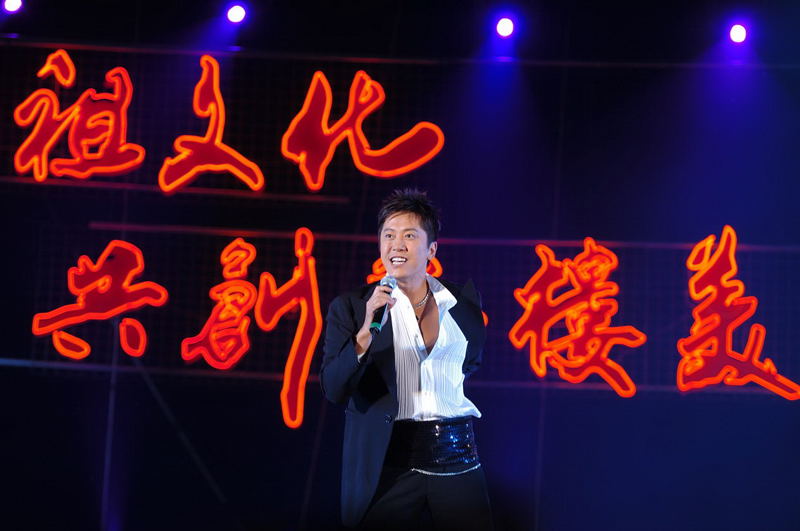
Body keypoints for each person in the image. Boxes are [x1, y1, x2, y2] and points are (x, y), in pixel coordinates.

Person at [321, 189, 493, 530]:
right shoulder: (353, 307)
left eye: (409, 236)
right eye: (389, 236)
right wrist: (365, 333)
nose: (396, 245)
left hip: (457, 456)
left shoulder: (460, 303)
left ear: (431, 250)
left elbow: (470, 361)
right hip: (388, 462)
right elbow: (334, 387)